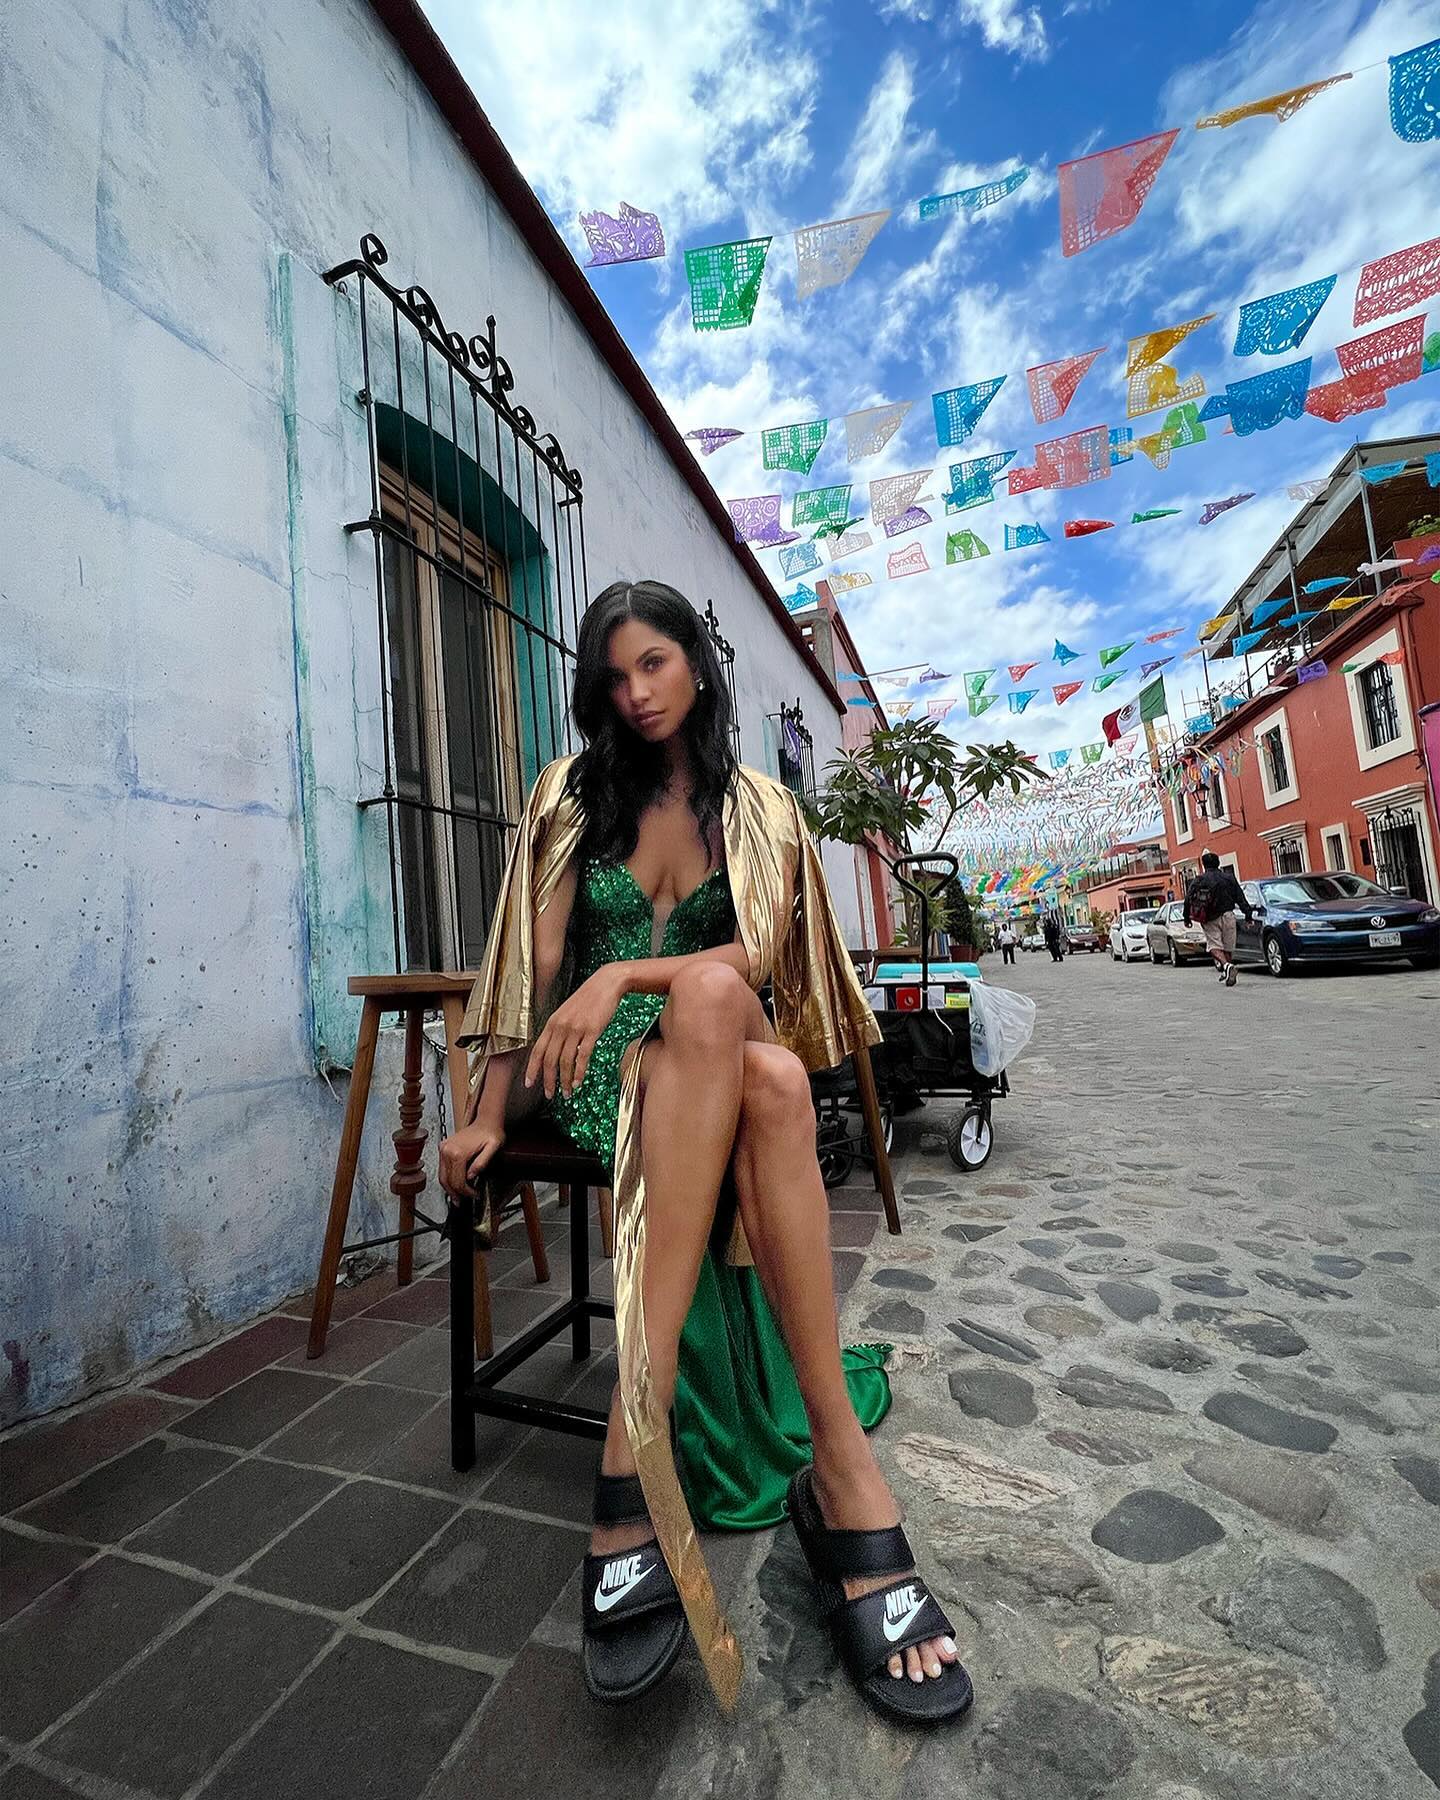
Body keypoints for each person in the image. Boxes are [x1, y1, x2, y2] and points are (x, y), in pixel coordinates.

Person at [439, 581, 970, 1726]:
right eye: (615, 676)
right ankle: (843, 1478)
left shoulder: (758, 805)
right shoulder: (569, 795)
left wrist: (627, 971)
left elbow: (757, 956)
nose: (636, 693)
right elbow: (530, 966)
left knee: (731, 1016)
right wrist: (487, 1108)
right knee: (760, 1066)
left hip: (713, 1037)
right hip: (600, 1066)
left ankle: (643, 1428)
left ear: (696, 663)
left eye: (655, 664)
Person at [1183, 849, 1256, 987]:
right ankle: (1227, 970)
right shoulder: (1229, 878)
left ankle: (1227, 966)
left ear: (1204, 865)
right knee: (1227, 947)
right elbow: (1240, 897)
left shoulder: (1199, 880)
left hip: (1210, 918)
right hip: (1228, 915)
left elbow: (1188, 899)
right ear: (1218, 863)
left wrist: (1186, 917)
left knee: (1214, 946)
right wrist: (1248, 915)